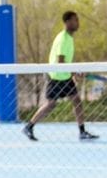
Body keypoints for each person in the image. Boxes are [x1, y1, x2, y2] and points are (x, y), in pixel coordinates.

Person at [22, 10, 99, 142]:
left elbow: (66, 62)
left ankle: (82, 131)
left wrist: (73, 73)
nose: (77, 23)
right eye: (75, 20)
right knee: (51, 104)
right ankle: (29, 126)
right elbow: (61, 61)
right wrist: (75, 72)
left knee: (76, 101)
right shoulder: (63, 38)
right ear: (68, 22)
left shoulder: (68, 38)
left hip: (65, 76)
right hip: (57, 77)